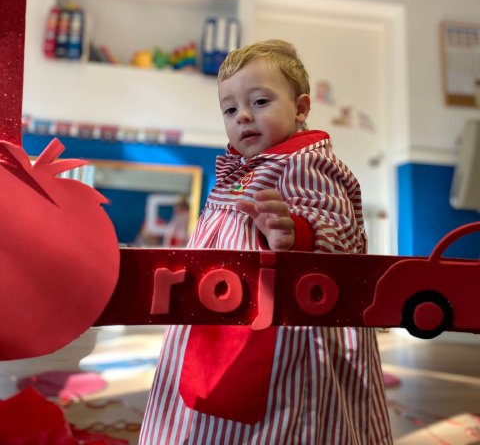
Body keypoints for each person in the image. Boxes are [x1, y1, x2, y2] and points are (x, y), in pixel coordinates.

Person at [140, 39, 393, 444]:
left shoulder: (304, 162)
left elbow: (340, 233)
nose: (242, 116)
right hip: (222, 314)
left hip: (283, 330)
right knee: (203, 403)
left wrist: (295, 232)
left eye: (259, 102)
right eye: (229, 109)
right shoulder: (240, 171)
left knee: (280, 418)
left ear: (301, 108)